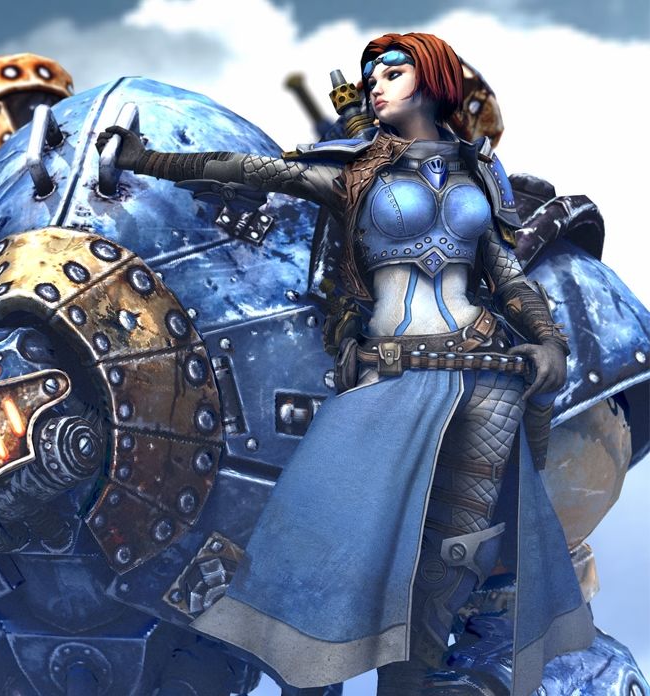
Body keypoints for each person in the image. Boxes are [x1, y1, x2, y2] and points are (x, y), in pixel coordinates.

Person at [97, 32, 588, 695]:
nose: (375, 84)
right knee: (320, 553)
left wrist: (547, 340)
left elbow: (503, 271)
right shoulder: (356, 172)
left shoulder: (477, 174)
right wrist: (145, 159)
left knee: (452, 560)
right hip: (391, 375)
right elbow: (251, 171)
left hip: (485, 381)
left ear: (433, 79)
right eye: (370, 75)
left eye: (392, 71)